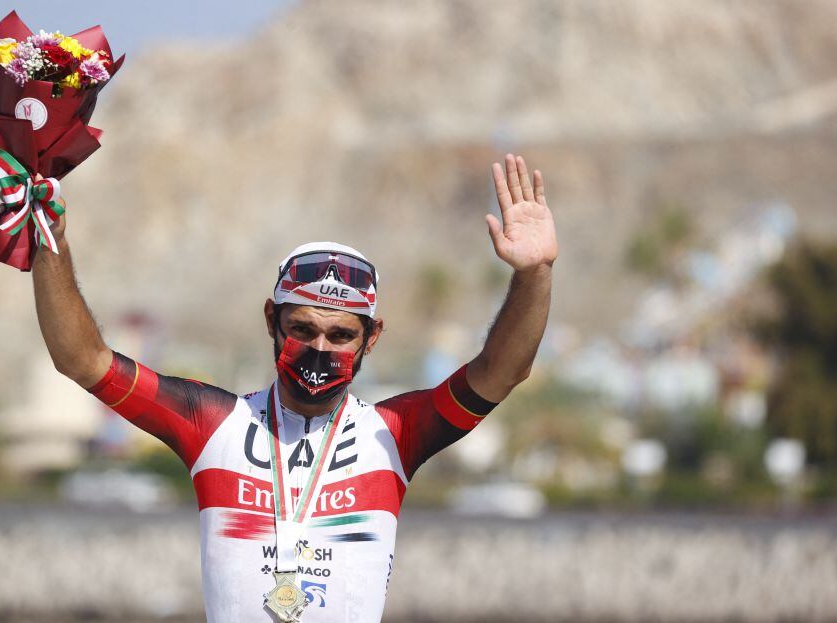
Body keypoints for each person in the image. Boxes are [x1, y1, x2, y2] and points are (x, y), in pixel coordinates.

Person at [31, 154, 557, 622]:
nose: (320, 350)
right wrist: (48, 231)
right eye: (302, 329)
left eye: (341, 335)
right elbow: (83, 359)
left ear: (371, 339)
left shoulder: (394, 434)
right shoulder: (213, 423)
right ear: (271, 321)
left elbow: (501, 371)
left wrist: (535, 274)